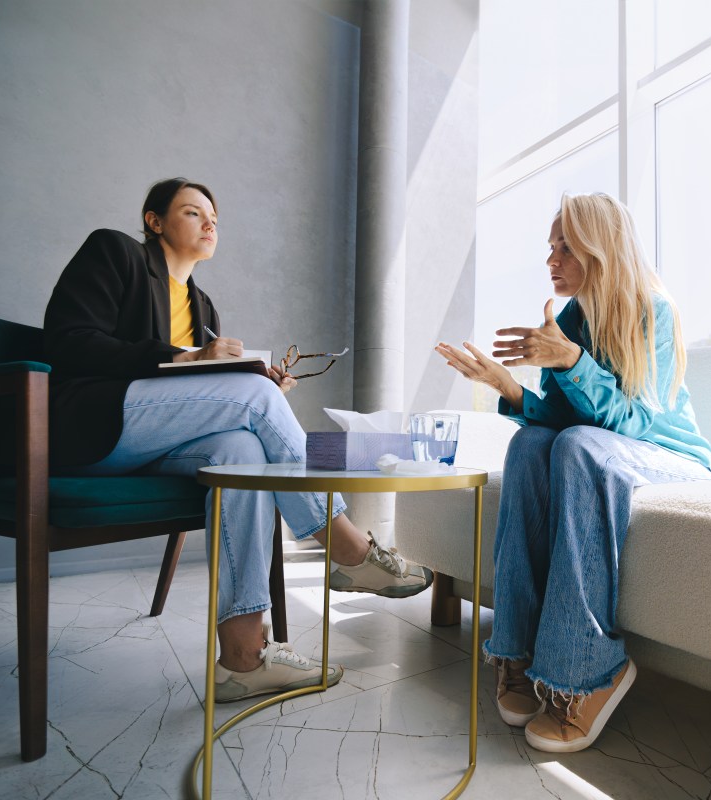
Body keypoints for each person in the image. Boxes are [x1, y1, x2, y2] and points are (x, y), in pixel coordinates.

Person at [43, 177, 433, 703]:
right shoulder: (115, 253)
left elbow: (196, 398)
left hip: (161, 443)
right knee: (251, 397)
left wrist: (249, 378)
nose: (209, 224)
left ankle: (244, 658)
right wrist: (186, 359)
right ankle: (347, 547)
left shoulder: (203, 309)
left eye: (214, 219)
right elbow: (68, 344)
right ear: (155, 221)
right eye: (191, 213)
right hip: (95, 430)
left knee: (242, 455)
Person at [435, 192, 711, 753]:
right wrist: (508, 387)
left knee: (577, 448)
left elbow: (636, 423)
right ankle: (514, 650)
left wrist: (570, 361)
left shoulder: (653, 312)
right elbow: (561, 421)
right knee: (531, 445)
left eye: (566, 246)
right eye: (551, 247)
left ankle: (591, 670)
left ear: (600, 248)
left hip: (671, 458)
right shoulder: (571, 318)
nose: (552, 259)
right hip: (602, 450)